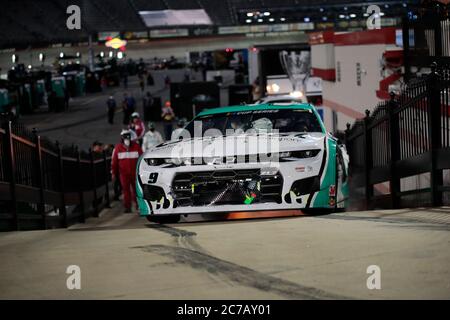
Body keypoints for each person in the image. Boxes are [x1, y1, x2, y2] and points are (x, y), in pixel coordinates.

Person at [111, 130, 143, 213]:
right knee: (125, 190)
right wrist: (113, 173)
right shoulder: (118, 148)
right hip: (123, 174)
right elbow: (114, 162)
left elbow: (141, 159)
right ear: (122, 137)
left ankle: (138, 206)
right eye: (125, 136)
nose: (127, 138)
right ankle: (127, 207)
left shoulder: (136, 146)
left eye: (128, 136)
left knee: (136, 190)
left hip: (135, 173)